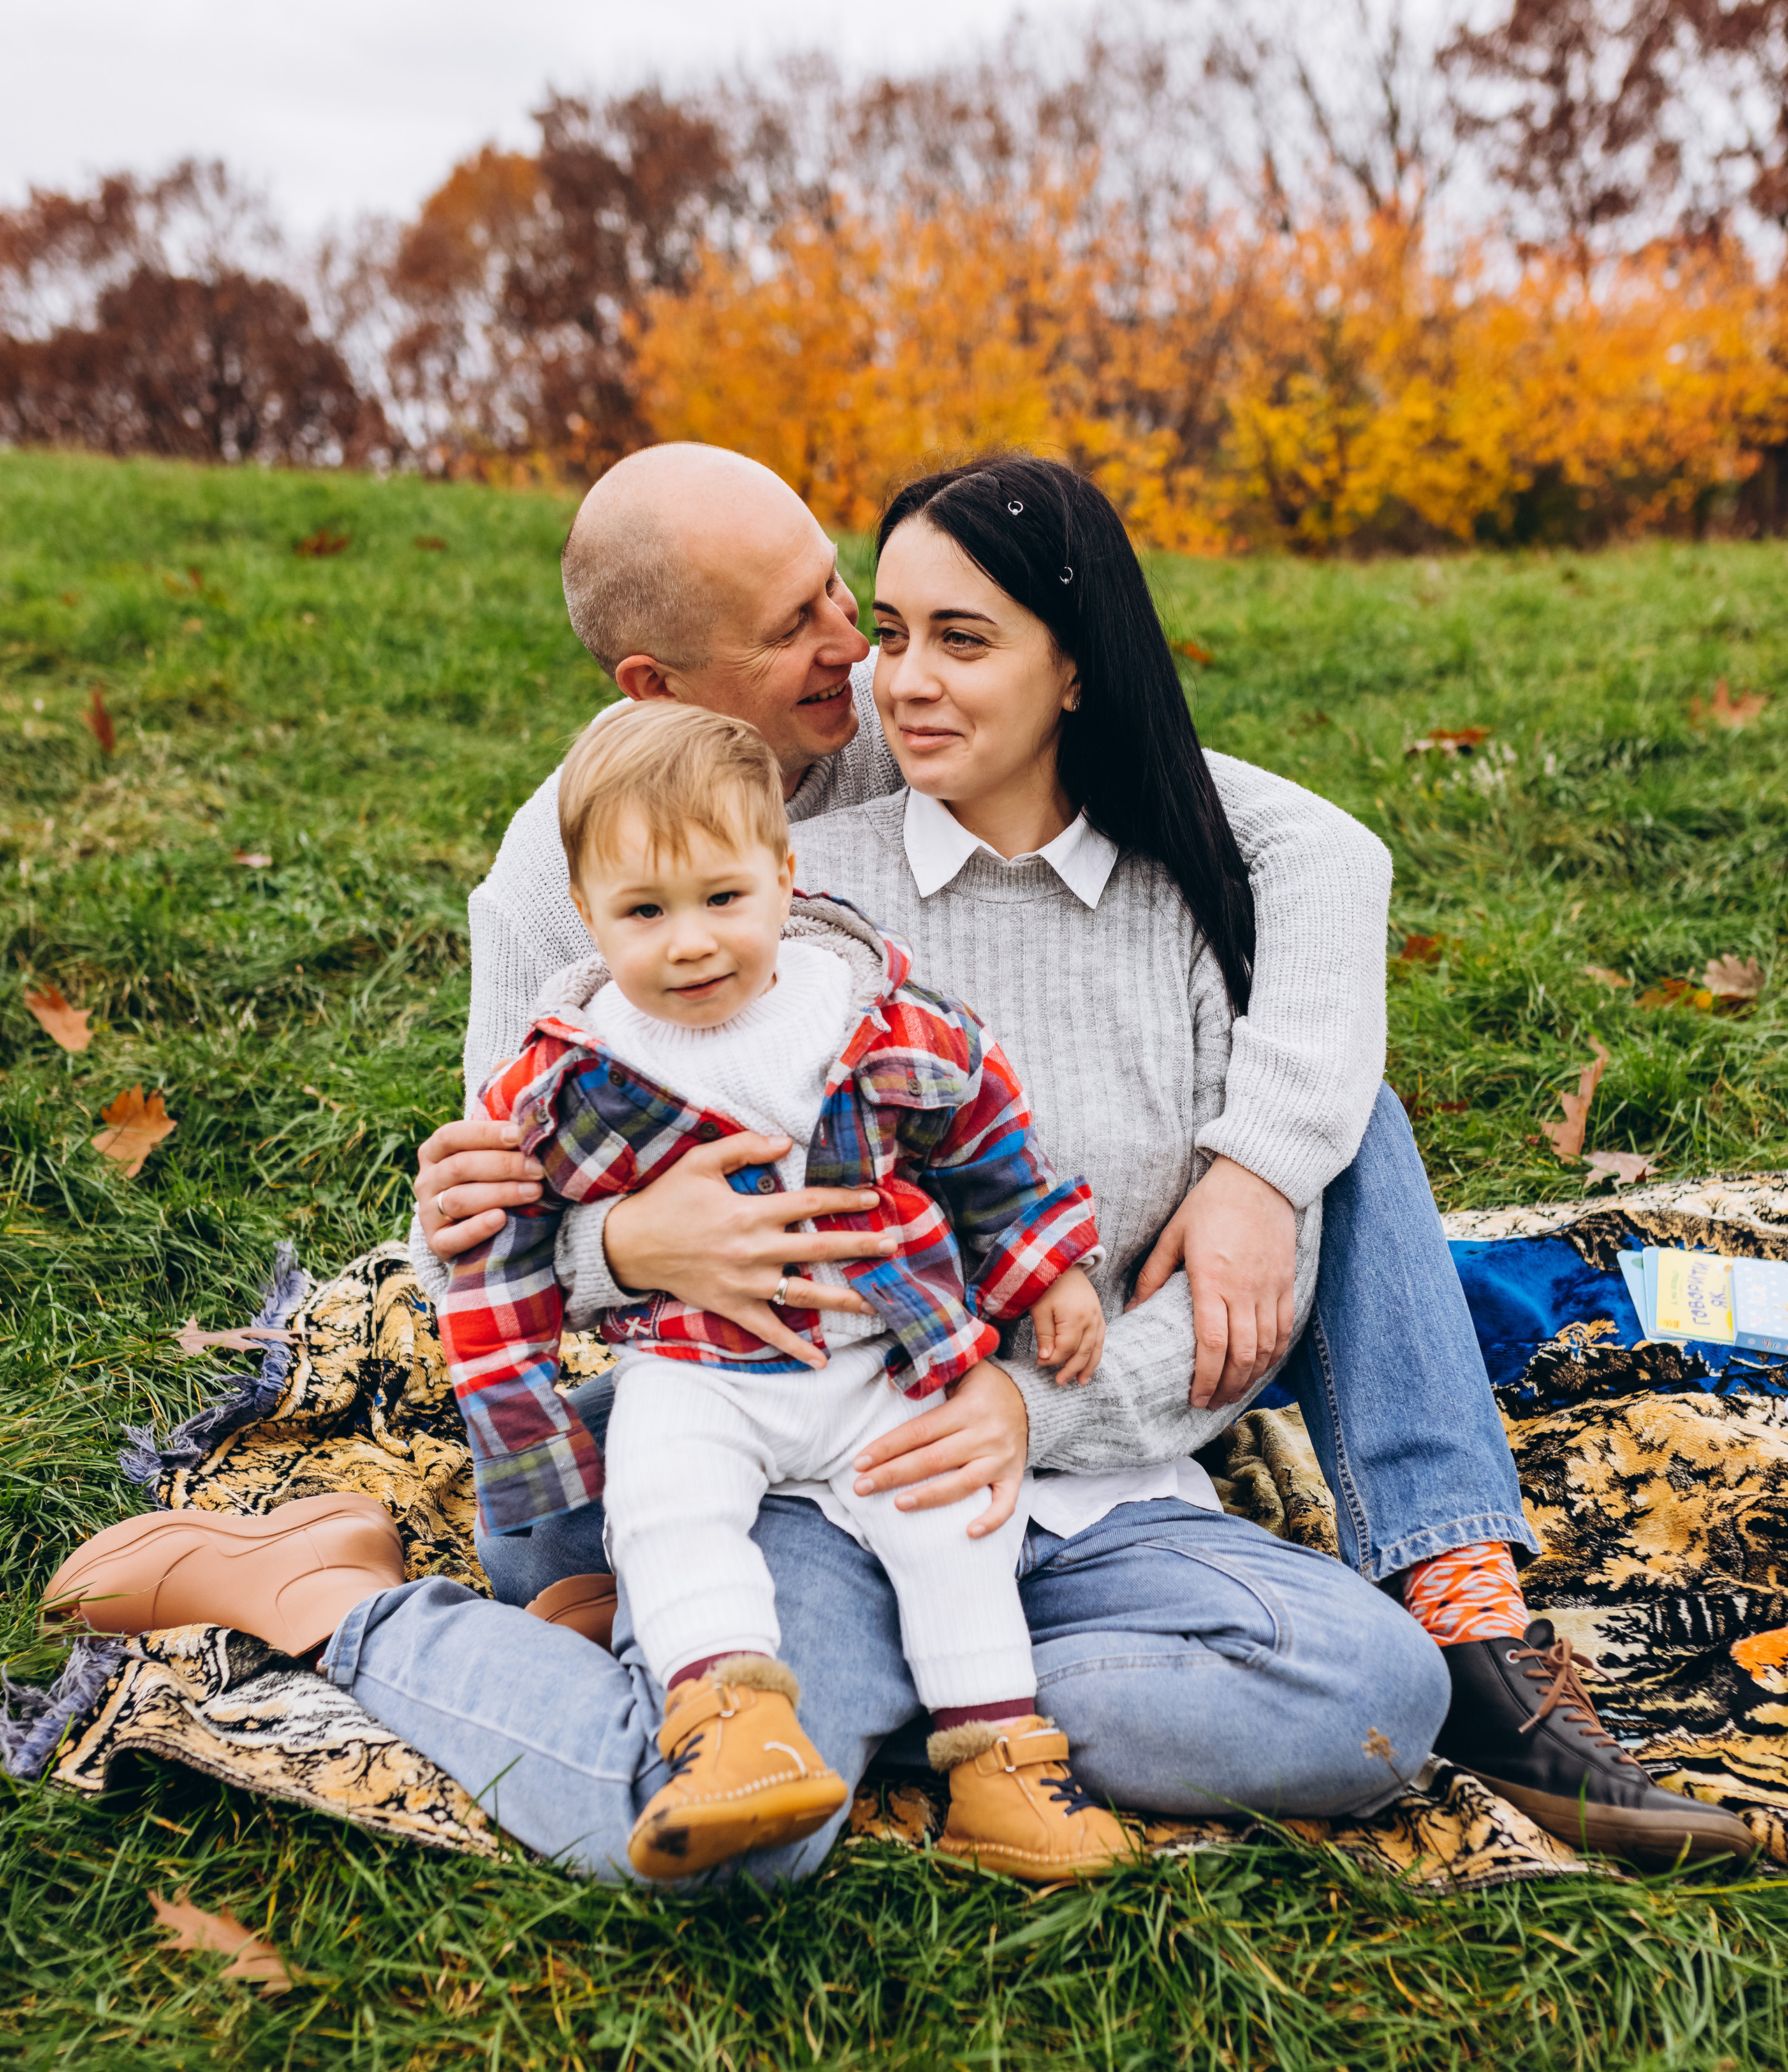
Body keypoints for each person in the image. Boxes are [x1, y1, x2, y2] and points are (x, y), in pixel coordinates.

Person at [45, 447, 1750, 1872]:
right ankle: (374, 1613)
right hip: (776, 1428)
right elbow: (499, 1216)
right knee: (739, 1816)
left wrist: (1238, 1175)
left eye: (866, 610)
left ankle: (1399, 1612)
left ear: (1062, 667)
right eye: (824, 629)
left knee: (1331, 1144)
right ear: (655, 689)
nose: (867, 668)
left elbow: (1317, 855)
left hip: (1029, 1455)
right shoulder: (641, 876)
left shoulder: (1058, 804)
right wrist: (628, 1248)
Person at [440, 699, 1131, 1883]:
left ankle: (1001, 1765)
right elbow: (493, 1256)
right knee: (663, 1502)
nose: (691, 942)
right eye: (644, 912)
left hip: (883, 1360)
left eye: (724, 897)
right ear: (587, 915)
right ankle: (728, 1724)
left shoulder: (866, 1012)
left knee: (957, 1529)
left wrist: (1047, 1268)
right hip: (697, 1369)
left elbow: (986, 1139)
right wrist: (527, 1432)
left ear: (784, 876)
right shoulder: (571, 1074)